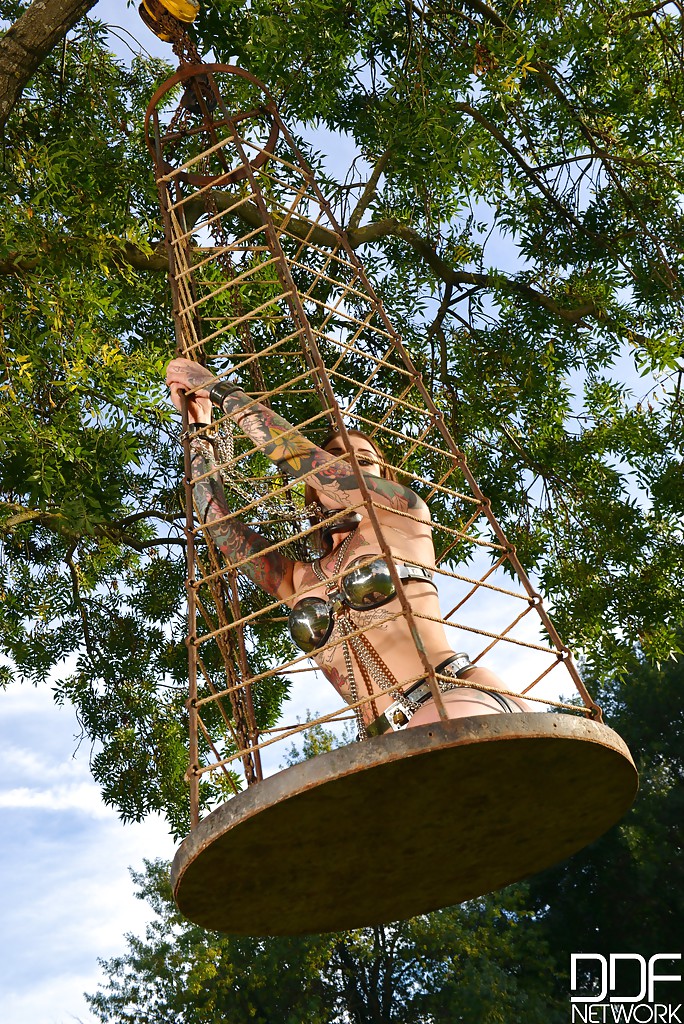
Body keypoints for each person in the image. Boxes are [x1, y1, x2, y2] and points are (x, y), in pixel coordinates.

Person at [166, 357, 529, 738]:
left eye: (365, 461)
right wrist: (199, 430)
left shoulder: (404, 516)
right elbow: (219, 525)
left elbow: (306, 461)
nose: (349, 465)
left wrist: (221, 390)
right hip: (380, 736)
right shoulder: (297, 580)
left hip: (453, 695)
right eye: (338, 457)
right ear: (312, 496)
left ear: (383, 477)